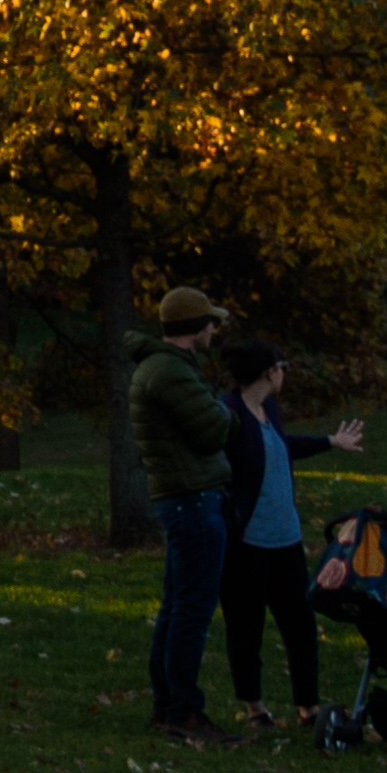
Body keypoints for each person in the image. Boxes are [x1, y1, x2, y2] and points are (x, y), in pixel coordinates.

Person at [212, 338, 365, 729]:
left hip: (286, 541)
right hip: (247, 543)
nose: (285, 375)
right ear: (270, 372)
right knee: (246, 626)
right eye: (283, 368)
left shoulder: (268, 410)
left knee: (300, 624)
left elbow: (281, 448)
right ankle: (255, 707)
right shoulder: (228, 413)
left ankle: (308, 708)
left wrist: (331, 441)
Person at [128, 286, 240, 738]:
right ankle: (184, 711)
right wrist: (228, 412)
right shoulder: (170, 373)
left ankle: (168, 706)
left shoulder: (165, 368)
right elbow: (214, 430)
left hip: (184, 498)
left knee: (177, 607)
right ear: (194, 327)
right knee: (192, 609)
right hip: (192, 499)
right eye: (210, 322)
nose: (215, 329)